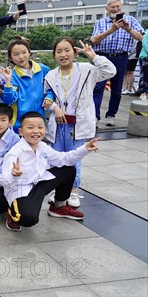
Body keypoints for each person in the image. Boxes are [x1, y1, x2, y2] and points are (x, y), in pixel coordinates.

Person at [43, 38, 116, 207]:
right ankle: (57, 190)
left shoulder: (87, 70)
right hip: (58, 123)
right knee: (56, 158)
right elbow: (46, 96)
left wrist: (94, 56)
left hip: (77, 124)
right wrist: (54, 107)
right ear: (54, 55)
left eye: (67, 50)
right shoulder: (51, 75)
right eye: (59, 51)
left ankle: (74, 191)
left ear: (75, 52)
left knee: (75, 158)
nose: (63, 55)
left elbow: (110, 71)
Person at [0, 112, 100, 231]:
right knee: (28, 219)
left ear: (45, 130)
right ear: (20, 131)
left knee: (68, 169)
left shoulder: (42, 147)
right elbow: (2, 180)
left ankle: (58, 206)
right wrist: (12, 174)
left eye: (40, 127)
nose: (36, 131)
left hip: (40, 183)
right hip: (21, 189)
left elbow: (64, 159)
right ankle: (12, 213)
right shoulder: (15, 153)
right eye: (30, 127)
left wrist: (84, 149)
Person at [90, 0, 144, 126]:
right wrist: (111, 30)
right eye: (112, 7)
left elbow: (141, 37)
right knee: (98, 87)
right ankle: (95, 116)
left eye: (118, 7)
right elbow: (94, 40)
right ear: (107, 9)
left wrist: (128, 29)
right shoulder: (100, 22)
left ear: (122, 8)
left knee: (116, 88)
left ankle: (111, 115)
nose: (115, 9)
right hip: (102, 56)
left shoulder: (130, 21)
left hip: (120, 57)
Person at [2, 36, 51, 132]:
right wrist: (7, 82)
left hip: (39, 120)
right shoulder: (12, 75)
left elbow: (52, 87)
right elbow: (8, 100)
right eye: (16, 54)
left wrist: (50, 96)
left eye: (24, 52)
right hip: (19, 124)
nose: (21, 57)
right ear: (10, 57)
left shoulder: (43, 69)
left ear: (29, 52)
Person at [139, 32, 148, 100]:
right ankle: (143, 92)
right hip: (145, 57)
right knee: (144, 75)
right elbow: (145, 44)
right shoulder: (147, 32)